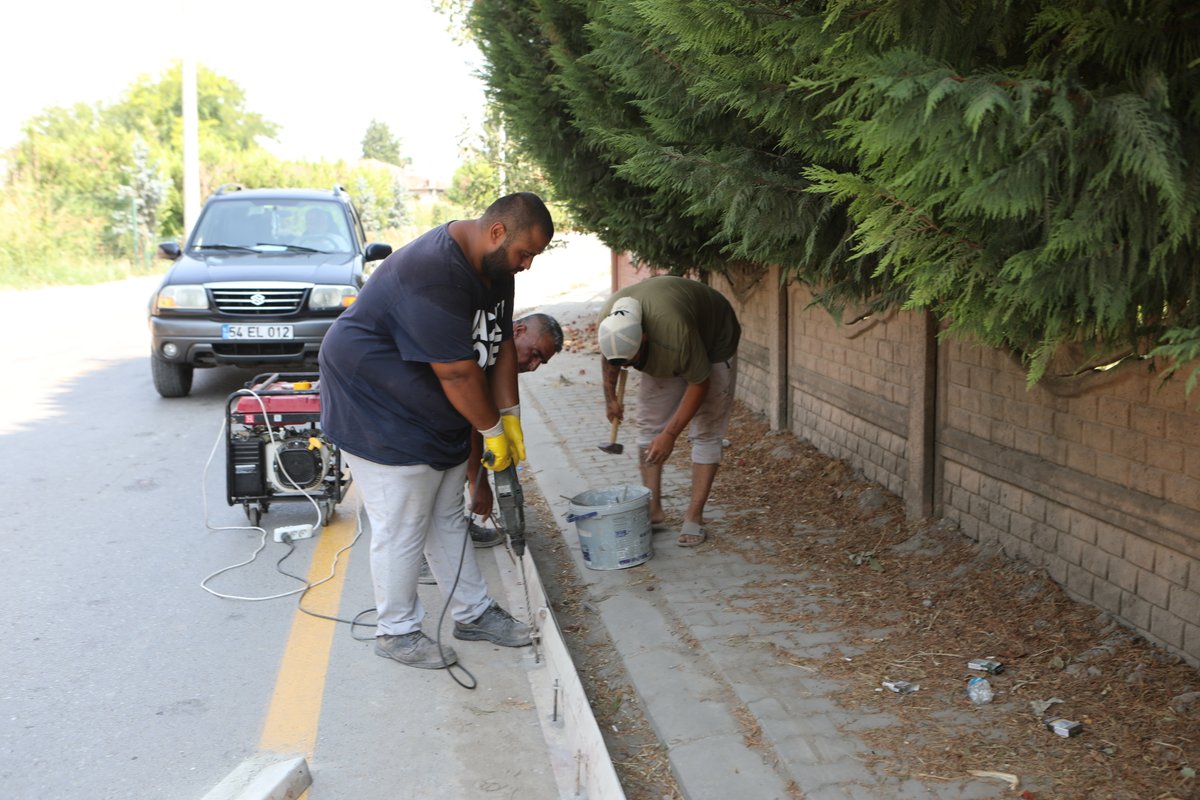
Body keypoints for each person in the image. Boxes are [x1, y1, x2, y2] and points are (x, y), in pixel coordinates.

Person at [318, 192, 554, 670]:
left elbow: (500, 340)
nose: (527, 266)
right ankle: (397, 632)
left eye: (533, 257)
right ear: (496, 232)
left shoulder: (496, 270)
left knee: (445, 511)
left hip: (427, 401)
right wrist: (489, 431)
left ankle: (472, 612)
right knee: (404, 522)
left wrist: (509, 416)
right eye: (523, 254)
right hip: (374, 399)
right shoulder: (434, 272)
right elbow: (458, 374)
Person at [597, 275, 740, 547]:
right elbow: (609, 356)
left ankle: (694, 518)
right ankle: (653, 511)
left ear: (644, 337)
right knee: (648, 426)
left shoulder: (676, 335)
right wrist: (610, 398)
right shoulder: (609, 320)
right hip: (666, 341)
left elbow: (699, 383)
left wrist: (670, 434)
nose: (632, 366)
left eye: (634, 360)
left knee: (706, 432)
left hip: (714, 338)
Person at [466, 312, 564, 548]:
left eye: (541, 363)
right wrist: (476, 482)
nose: (533, 367)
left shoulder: (499, 357)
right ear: (518, 331)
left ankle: (455, 527)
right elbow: (469, 422)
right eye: (535, 355)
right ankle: (421, 554)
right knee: (422, 488)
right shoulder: (483, 346)